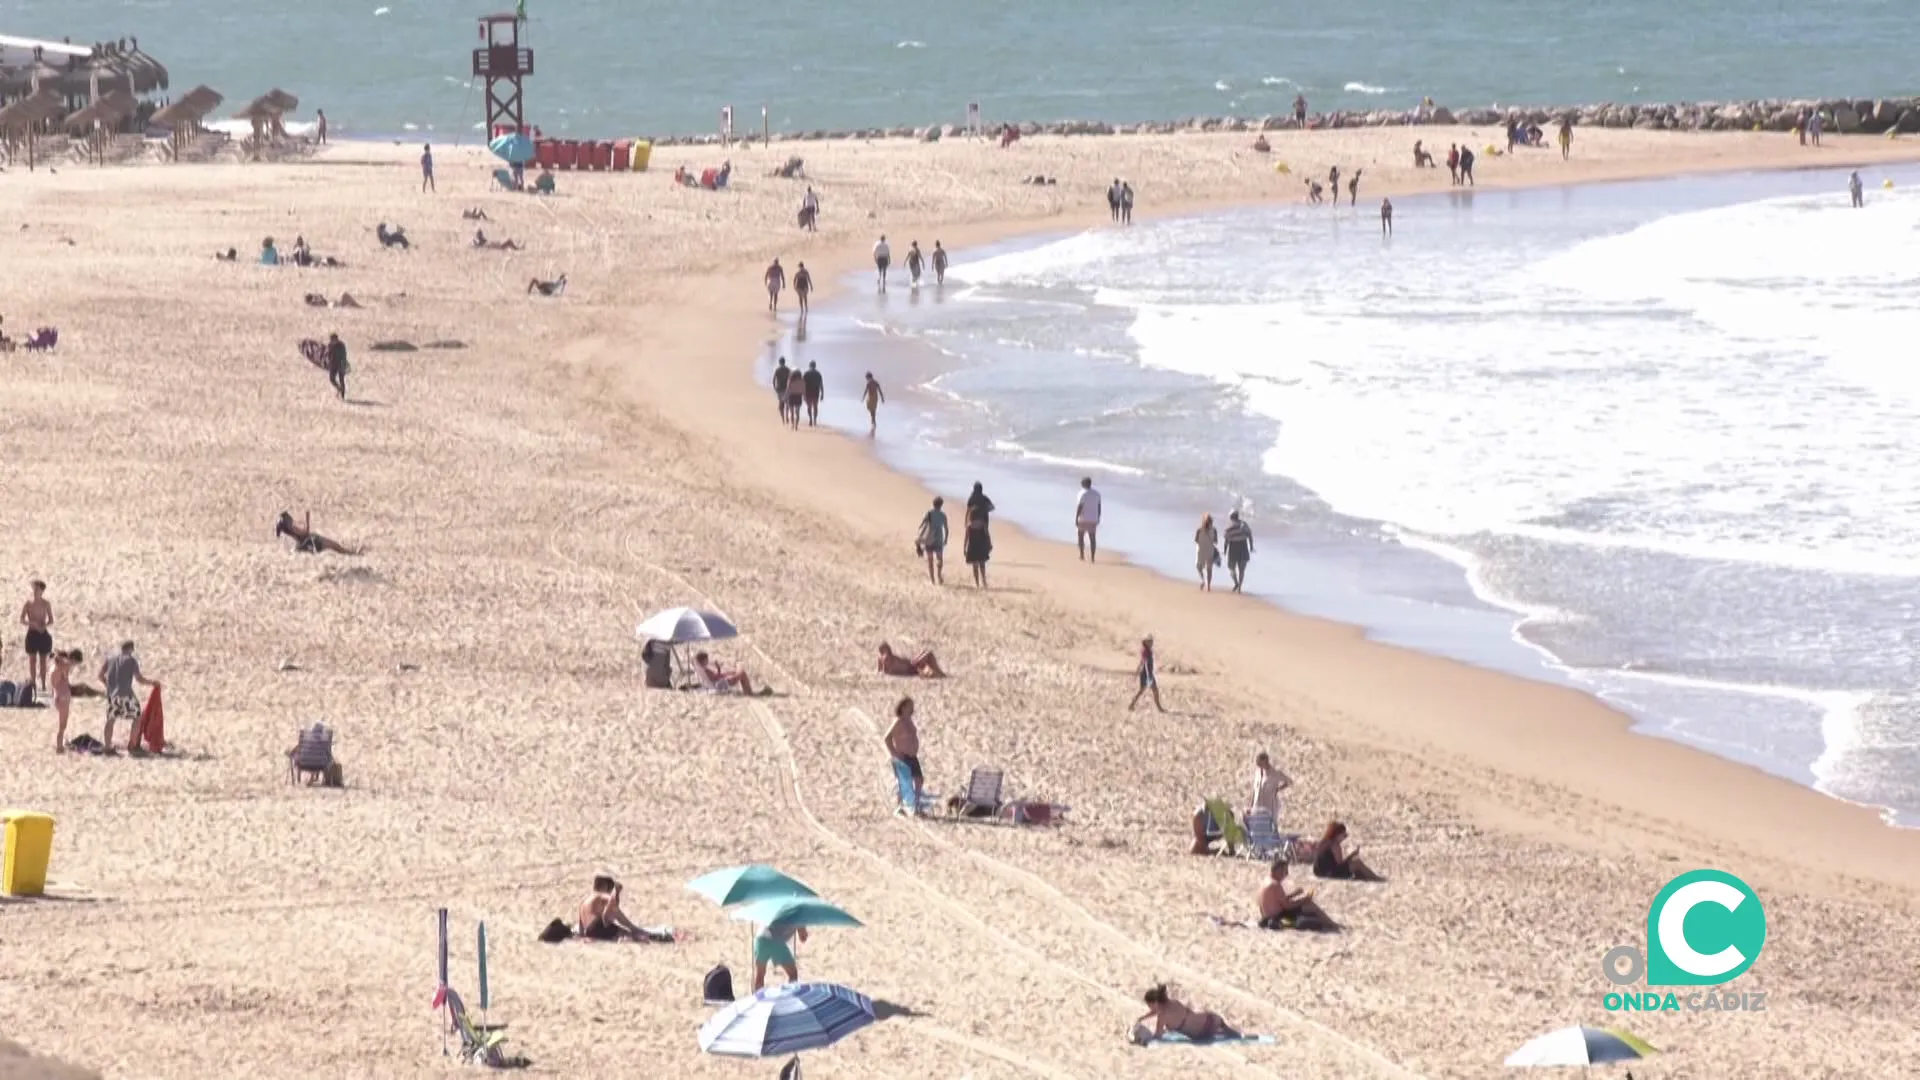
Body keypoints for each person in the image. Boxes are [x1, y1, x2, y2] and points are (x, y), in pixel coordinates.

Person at [99, 640, 158, 752]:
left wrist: (109, 686)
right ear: (131, 649)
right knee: (137, 718)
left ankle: (107, 746)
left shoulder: (110, 659)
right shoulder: (131, 660)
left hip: (112, 695)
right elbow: (139, 679)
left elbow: (100, 675)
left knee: (110, 719)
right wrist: (152, 683)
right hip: (126, 694)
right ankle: (132, 745)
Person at [579, 875, 672, 942]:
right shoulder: (599, 895)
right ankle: (640, 932)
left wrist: (583, 936)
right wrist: (617, 890)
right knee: (628, 933)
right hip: (598, 926)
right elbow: (612, 900)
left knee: (611, 912)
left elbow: (581, 927)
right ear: (604, 886)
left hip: (589, 931)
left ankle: (633, 928)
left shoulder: (583, 901)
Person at [1135, 985, 1238, 1042]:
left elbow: (1158, 1035)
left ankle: (1223, 1033)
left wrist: (1143, 1038)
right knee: (1220, 1027)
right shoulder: (1173, 1002)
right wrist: (1143, 1018)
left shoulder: (1162, 1017)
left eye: (1150, 1005)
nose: (1149, 1007)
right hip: (1212, 1019)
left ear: (1155, 1003)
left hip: (1201, 1034)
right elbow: (1157, 1011)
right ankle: (1229, 1032)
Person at [1258, 859, 1336, 930]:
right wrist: (1304, 900)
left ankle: (1328, 923)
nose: (1286, 875)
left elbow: (1278, 900)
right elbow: (1288, 906)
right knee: (1309, 905)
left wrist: (1294, 894)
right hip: (1278, 916)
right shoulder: (1275, 884)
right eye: (1285, 871)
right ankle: (1331, 924)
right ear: (1278, 871)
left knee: (1306, 905)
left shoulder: (1266, 881)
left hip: (1267, 916)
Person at [885, 696, 924, 810]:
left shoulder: (909, 720)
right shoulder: (898, 721)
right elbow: (887, 738)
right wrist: (894, 752)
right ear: (903, 707)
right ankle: (900, 805)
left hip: (912, 756)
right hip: (902, 756)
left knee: (919, 779)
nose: (912, 708)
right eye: (910, 706)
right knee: (904, 782)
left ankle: (916, 804)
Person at [1311, 821, 1384, 881]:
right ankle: (1375, 878)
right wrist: (1352, 855)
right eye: (1344, 834)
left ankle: (1364, 877)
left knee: (1354, 863)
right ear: (1337, 835)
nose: (1345, 836)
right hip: (1329, 873)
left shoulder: (1323, 842)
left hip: (1319, 872)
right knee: (1356, 862)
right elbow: (1340, 864)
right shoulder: (1335, 845)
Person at [752, 919, 808, 991]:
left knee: (760, 975)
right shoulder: (798, 915)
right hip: (775, 938)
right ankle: (790, 996)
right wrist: (802, 928)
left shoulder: (781, 910)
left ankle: (758, 998)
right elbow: (803, 937)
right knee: (793, 974)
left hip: (760, 937)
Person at [21, 580, 54, 693]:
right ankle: (33, 683)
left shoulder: (46, 604)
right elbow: (22, 620)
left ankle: (44, 684)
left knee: (43, 660)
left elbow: (51, 620)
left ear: (42, 591)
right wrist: (32, 623)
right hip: (32, 633)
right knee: (32, 660)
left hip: (42, 633)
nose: (35, 591)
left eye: (37, 589)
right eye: (34, 589)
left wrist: (44, 625)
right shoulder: (28, 603)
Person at [275, 511, 361, 555]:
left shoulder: (290, 530)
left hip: (310, 542)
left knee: (336, 548)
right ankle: (353, 554)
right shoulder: (293, 528)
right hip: (314, 541)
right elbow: (305, 532)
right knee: (337, 547)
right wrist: (307, 518)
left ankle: (351, 553)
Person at [964, 483, 994, 589]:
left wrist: (966, 521)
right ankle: (984, 580)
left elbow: (967, 511)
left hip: (972, 528)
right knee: (982, 561)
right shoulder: (984, 498)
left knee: (974, 563)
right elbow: (992, 507)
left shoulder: (971, 498)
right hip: (983, 524)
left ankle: (977, 583)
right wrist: (984, 510)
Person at [51, 648, 79, 753]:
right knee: (62, 724)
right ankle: (59, 747)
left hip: (57, 695)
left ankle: (60, 745)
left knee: (62, 724)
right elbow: (69, 664)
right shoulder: (62, 668)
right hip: (63, 696)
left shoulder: (53, 669)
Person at [695, 650, 762, 695]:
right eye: (706, 659)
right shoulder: (706, 670)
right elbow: (716, 677)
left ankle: (748, 692)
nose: (708, 661)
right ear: (703, 660)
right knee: (742, 672)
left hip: (719, 683)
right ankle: (749, 693)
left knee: (739, 673)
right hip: (720, 685)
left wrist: (728, 673)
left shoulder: (701, 669)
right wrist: (718, 668)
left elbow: (715, 677)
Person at [916, 496, 948, 584]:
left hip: (929, 539)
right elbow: (946, 528)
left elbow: (923, 524)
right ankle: (939, 575)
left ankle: (932, 580)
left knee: (930, 561)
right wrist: (946, 539)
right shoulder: (943, 515)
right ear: (941, 505)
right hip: (938, 539)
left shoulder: (929, 513)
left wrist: (920, 535)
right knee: (939, 559)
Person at [1128, 635, 1164, 712]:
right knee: (1154, 690)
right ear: (1146, 642)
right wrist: (1149, 676)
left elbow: (1141, 662)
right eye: (1150, 641)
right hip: (1147, 674)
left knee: (1143, 690)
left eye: (1152, 641)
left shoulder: (1146, 650)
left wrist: (1136, 673)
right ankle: (1159, 708)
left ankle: (1132, 704)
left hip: (1147, 673)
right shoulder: (1146, 651)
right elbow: (1146, 664)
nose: (1152, 643)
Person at [1250, 751, 1291, 819]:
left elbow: (1288, 781)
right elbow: (1255, 789)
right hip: (1257, 806)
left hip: (1269, 806)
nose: (1259, 765)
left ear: (1265, 761)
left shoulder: (1275, 773)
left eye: (1260, 763)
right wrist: (1251, 805)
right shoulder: (1257, 772)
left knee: (1269, 825)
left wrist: (1278, 789)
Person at [1223, 510, 1254, 592]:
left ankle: (1236, 583)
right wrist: (1251, 547)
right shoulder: (1243, 525)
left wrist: (1225, 550)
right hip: (1243, 547)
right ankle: (1240, 587)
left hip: (1233, 547)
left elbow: (1226, 540)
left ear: (1230, 517)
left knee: (1231, 568)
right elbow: (1250, 535)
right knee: (1242, 569)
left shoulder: (1228, 527)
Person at [877, 642, 945, 678]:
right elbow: (884, 671)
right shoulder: (886, 657)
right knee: (928, 654)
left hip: (911, 666)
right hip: (911, 667)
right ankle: (940, 673)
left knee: (925, 653)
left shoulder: (881, 659)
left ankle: (939, 673)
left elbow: (880, 671)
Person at [1074, 477, 1101, 562]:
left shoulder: (1082, 493)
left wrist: (1076, 517)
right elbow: (1099, 506)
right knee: (1092, 538)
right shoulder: (1097, 494)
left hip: (1083, 518)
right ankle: (1093, 557)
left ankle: (1082, 555)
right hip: (1093, 518)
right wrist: (1098, 517)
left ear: (1083, 484)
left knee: (1080, 536)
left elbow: (1080, 506)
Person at [1194, 513, 1219, 591]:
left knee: (1198, 567)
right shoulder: (1214, 530)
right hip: (1210, 551)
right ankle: (1208, 586)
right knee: (1209, 569)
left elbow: (1196, 540)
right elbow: (1215, 541)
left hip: (1200, 550)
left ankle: (1202, 580)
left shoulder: (1199, 530)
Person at [325, 332, 349, 400]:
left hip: (341, 364)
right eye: (331, 340)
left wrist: (343, 365)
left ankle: (342, 395)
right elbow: (328, 354)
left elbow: (344, 355)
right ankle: (339, 388)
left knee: (341, 380)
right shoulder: (330, 345)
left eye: (333, 339)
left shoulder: (341, 345)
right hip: (333, 364)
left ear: (336, 339)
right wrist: (328, 361)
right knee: (331, 379)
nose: (332, 341)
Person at [802, 361, 824, 427]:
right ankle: (815, 420)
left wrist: (803, 393)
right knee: (815, 407)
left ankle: (810, 419)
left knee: (809, 407)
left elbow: (803, 384)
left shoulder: (806, 373)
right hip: (816, 393)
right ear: (815, 366)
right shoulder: (818, 374)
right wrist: (822, 393)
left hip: (808, 392)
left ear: (809, 366)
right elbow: (821, 384)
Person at [772, 357, 794, 424]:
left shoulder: (777, 370)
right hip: (786, 389)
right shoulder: (788, 370)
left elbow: (773, 380)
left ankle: (783, 418)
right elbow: (791, 379)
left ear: (779, 362)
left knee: (781, 404)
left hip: (779, 389)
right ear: (784, 362)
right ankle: (787, 416)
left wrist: (774, 388)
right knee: (787, 404)